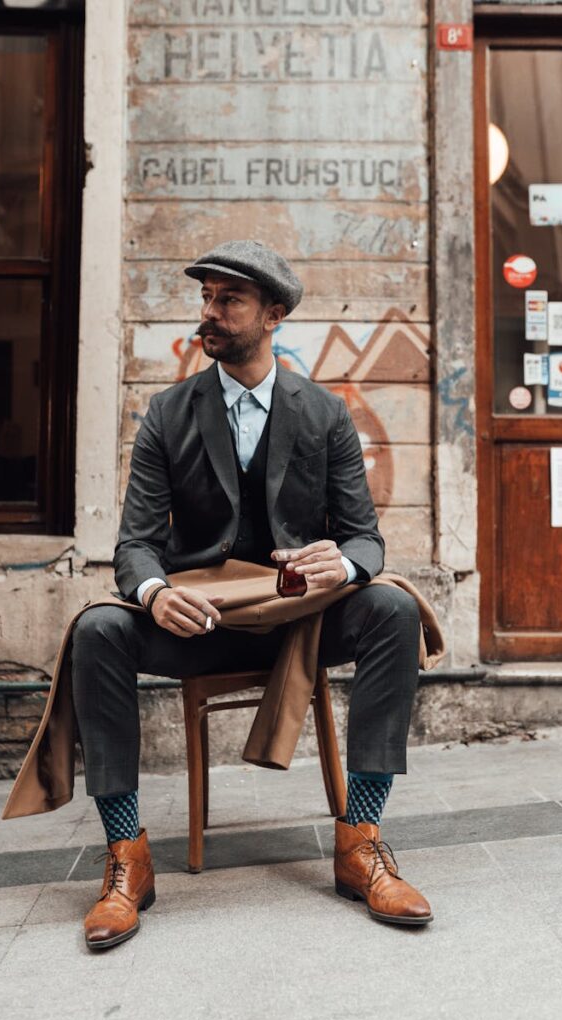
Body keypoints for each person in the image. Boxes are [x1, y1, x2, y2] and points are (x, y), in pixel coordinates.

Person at [71, 240, 432, 950]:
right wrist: (152, 592)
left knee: (392, 605)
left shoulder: (323, 413)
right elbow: (135, 543)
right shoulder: (168, 414)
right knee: (96, 631)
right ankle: (126, 857)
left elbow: (365, 539)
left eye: (227, 301)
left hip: (300, 621)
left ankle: (361, 842)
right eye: (205, 299)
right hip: (201, 621)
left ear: (272, 315)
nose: (210, 314)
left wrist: (345, 569)